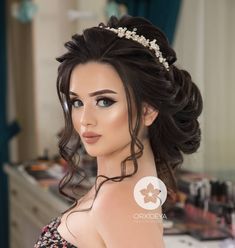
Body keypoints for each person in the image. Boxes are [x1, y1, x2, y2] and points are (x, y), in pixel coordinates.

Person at [34, 14, 203, 247]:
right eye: (77, 102)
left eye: (104, 101)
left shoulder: (118, 201)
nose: (84, 120)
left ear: (148, 110)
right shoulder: (116, 189)